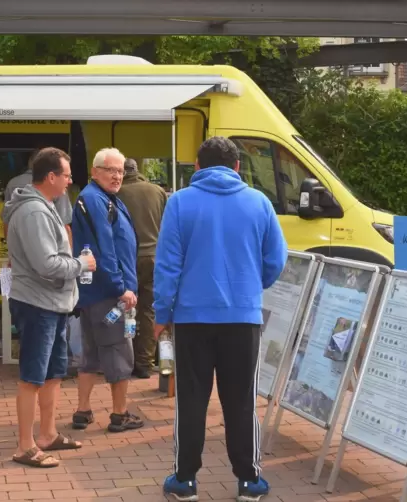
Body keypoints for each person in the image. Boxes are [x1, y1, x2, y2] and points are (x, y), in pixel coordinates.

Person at [154, 136, 287, 501]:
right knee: (241, 400)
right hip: (243, 318)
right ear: (237, 167)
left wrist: (162, 313)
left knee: (192, 400)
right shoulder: (259, 202)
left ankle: (185, 481)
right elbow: (276, 259)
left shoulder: (179, 203)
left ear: (197, 166)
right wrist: (249, 287)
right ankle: (249, 481)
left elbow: (167, 265)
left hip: (192, 319)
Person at [2, 147, 97, 468]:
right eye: (67, 175)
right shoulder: (35, 213)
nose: (71, 181)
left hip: (53, 304)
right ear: (51, 176)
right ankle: (25, 446)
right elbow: (46, 264)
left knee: (54, 372)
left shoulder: (46, 207)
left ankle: (47, 434)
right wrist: (81, 264)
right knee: (32, 375)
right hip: (37, 304)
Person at [70, 147, 143, 433]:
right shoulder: (96, 200)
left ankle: (83, 411)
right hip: (109, 294)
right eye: (110, 170)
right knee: (119, 351)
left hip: (93, 293)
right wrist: (121, 287)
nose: (116, 176)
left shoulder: (101, 198)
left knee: (91, 353)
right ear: (94, 171)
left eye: (120, 171)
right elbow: (105, 249)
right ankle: (119, 414)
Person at [116, 158, 168, 378]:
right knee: (147, 311)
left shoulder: (116, 194)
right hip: (154, 258)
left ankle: (122, 360)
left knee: (123, 309)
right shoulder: (157, 192)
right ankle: (145, 363)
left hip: (126, 260)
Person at [5, 149, 73, 245]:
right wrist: (71, 258)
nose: (69, 181)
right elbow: (65, 225)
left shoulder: (12, 183)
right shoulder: (57, 187)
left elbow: (7, 222)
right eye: (66, 176)